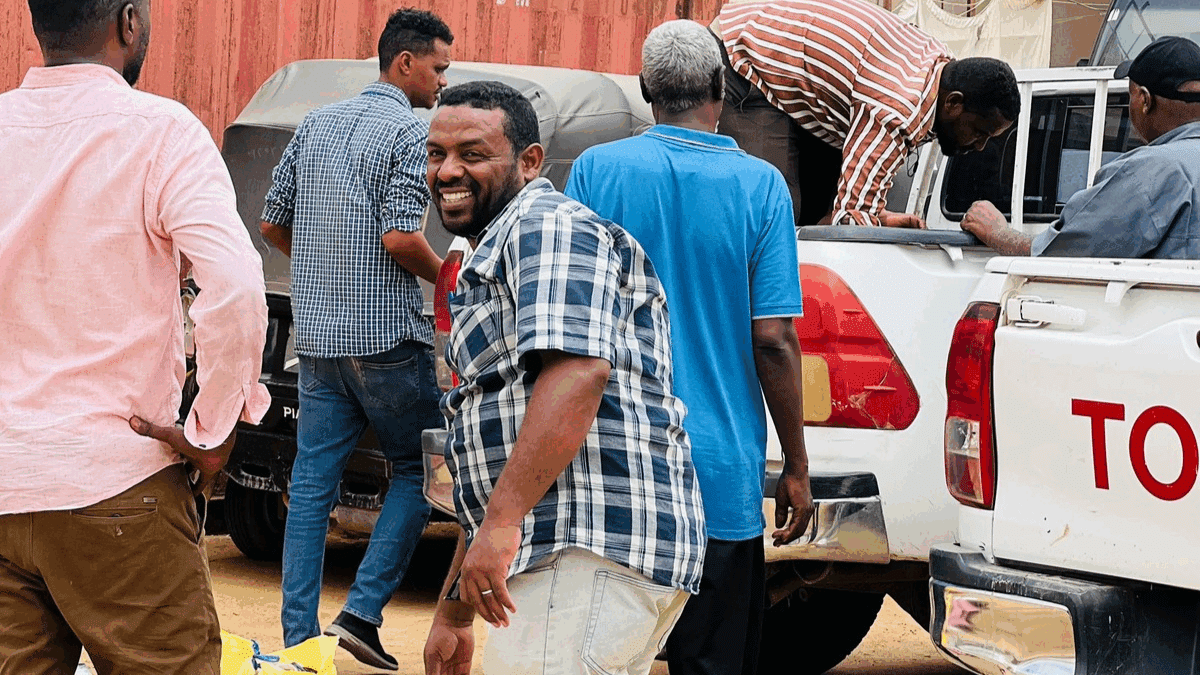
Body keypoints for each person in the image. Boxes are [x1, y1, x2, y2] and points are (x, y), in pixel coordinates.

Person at [0, 0, 270, 673]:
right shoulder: (161, 132)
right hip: (118, 485)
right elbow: (237, 286)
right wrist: (213, 425)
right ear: (128, 22)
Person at [420, 81, 707, 675]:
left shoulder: (545, 225)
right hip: (583, 555)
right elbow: (503, 444)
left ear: (529, 162)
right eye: (436, 154)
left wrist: (501, 525)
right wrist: (454, 611)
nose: (447, 171)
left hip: (583, 546)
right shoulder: (504, 245)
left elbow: (579, 372)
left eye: (472, 154)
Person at [564, 20, 813, 675]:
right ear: (721, 88)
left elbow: (568, 318)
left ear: (646, 88)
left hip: (614, 472)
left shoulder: (594, 172)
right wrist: (795, 464)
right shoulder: (761, 187)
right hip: (719, 478)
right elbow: (773, 339)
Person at [258, 8, 453, 669]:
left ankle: (298, 640)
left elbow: (271, 223)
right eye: (439, 68)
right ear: (405, 63)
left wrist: (322, 269)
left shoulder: (316, 121)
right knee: (419, 471)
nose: (443, 82)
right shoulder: (410, 130)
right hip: (388, 340)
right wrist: (450, 279)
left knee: (312, 484)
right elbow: (400, 237)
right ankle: (361, 615)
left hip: (317, 339)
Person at [712, 0, 1020, 227]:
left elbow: (850, 204)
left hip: (794, 63)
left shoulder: (941, 71)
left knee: (820, 203)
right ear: (953, 104)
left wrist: (875, 215)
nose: (981, 146)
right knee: (777, 210)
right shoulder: (898, 110)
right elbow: (849, 222)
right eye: (979, 132)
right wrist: (864, 215)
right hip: (745, 54)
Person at [962, 35, 1200, 258]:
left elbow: (1060, 253)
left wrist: (997, 233)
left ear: (1145, 100)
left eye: (1130, 95)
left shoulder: (1151, 172)